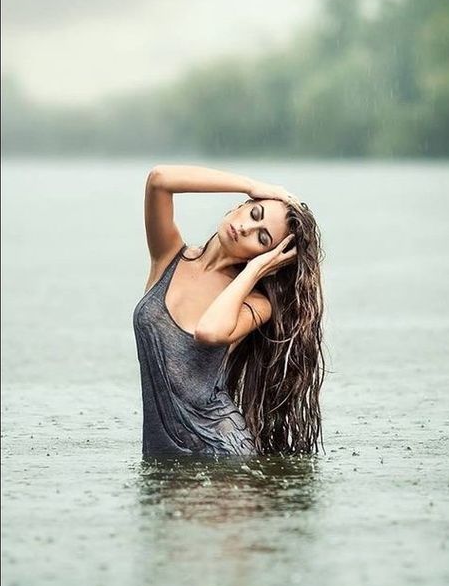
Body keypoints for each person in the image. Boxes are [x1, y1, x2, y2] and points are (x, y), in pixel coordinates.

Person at [132, 164, 325, 458]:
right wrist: (250, 184)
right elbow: (159, 180)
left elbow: (210, 331)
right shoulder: (168, 257)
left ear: (268, 258)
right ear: (240, 206)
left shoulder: (257, 303)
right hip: (164, 455)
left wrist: (255, 271)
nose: (246, 228)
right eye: (254, 213)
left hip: (222, 453)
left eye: (262, 239)